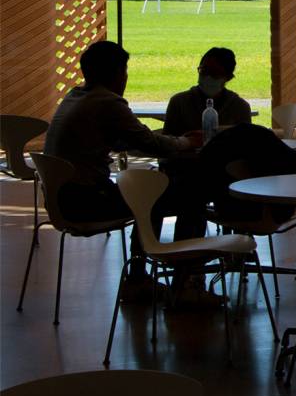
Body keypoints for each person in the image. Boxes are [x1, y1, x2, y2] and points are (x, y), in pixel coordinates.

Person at [44, 41, 207, 264]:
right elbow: (150, 144)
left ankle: (139, 274)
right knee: (191, 195)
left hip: (64, 201)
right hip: (89, 202)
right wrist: (187, 142)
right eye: (125, 70)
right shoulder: (107, 102)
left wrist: (164, 140)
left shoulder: (75, 96)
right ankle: (186, 277)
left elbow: (122, 140)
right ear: (117, 73)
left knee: (150, 192)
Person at [161, 47, 252, 136]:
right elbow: (166, 144)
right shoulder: (179, 103)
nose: (208, 76)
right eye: (203, 70)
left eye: (215, 73)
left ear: (228, 77)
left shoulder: (240, 107)